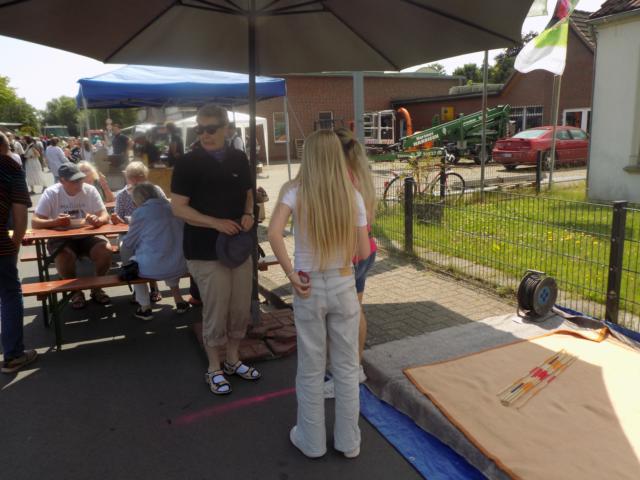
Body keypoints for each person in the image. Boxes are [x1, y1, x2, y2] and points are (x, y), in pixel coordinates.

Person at [268, 130, 370, 459]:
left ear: (308, 156)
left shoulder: (294, 190)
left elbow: (273, 233)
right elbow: (363, 251)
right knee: (347, 368)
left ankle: (311, 442)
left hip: (307, 285)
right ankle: (349, 442)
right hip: (343, 283)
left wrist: (289, 273)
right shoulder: (352, 195)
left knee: (311, 367)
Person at [171, 103, 260, 396]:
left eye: (211, 129)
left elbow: (248, 194)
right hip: (204, 249)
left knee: (239, 308)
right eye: (200, 129)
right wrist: (215, 223)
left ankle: (233, 360)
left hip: (238, 246)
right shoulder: (187, 162)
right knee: (216, 309)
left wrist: (248, 213)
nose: (205, 135)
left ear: (227, 129)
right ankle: (214, 368)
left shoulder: (238, 157)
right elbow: (178, 208)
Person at [322, 128, 378, 398]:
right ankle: (354, 368)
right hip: (364, 252)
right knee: (355, 312)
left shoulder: (341, 179)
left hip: (348, 257)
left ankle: (344, 376)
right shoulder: (359, 173)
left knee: (342, 319)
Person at [32, 163, 113, 309]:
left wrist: (98, 220)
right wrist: (55, 222)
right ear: (62, 181)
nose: (79, 183)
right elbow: (35, 222)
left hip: (87, 235)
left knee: (105, 250)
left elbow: (104, 215)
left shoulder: (90, 190)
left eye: (80, 179)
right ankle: (75, 291)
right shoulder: (52, 193)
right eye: (74, 181)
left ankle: (97, 287)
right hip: (60, 237)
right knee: (64, 255)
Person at [122, 182, 189, 320]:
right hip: (180, 265)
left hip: (153, 268)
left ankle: (145, 307)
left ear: (138, 199)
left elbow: (129, 242)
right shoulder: (173, 207)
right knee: (169, 250)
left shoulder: (140, 212)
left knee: (132, 262)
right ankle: (179, 300)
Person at [0, 133, 38, 373]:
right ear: (5, 147)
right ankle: (13, 356)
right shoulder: (10, 166)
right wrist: (15, 245)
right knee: (10, 294)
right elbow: (20, 216)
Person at [111, 161, 165, 304]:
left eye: (139, 176)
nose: (135, 180)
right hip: (128, 231)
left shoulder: (155, 190)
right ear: (127, 177)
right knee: (125, 247)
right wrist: (116, 219)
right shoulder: (122, 195)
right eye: (131, 176)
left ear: (145, 176)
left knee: (149, 247)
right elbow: (118, 218)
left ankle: (153, 285)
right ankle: (138, 287)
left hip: (153, 231)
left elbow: (166, 209)